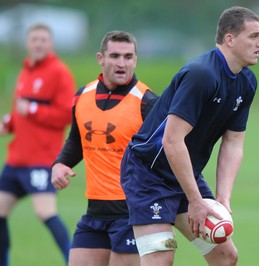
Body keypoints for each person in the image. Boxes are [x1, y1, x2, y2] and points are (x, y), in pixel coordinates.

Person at [120, 6, 259, 266]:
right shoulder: (202, 75)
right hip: (148, 176)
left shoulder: (247, 82)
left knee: (226, 256)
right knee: (161, 259)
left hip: (184, 174)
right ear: (230, 39)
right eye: (253, 36)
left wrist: (223, 198)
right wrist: (196, 201)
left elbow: (233, 143)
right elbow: (172, 141)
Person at [51, 31, 158, 266]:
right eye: (115, 56)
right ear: (101, 58)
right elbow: (77, 140)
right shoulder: (82, 96)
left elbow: (165, 156)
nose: (122, 63)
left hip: (131, 214)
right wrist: (60, 164)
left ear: (135, 60)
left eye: (128, 57)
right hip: (94, 213)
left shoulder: (147, 102)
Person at [0, 24, 75, 266]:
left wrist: (32, 110)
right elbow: (19, 111)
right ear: (27, 43)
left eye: (43, 39)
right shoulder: (25, 71)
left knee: (45, 213)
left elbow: (66, 115)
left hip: (41, 160)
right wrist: (9, 123)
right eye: (34, 40)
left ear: (50, 43)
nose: (39, 44)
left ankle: (75, 260)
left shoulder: (59, 72)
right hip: (16, 160)